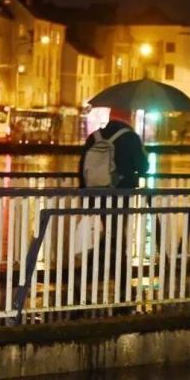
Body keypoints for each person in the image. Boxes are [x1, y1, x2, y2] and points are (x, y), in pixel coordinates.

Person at [77, 108, 148, 315]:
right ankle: (124, 289)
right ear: (128, 117)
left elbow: (82, 169)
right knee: (117, 239)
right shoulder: (131, 137)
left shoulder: (95, 137)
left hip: (96, 196)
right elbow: (144, 167)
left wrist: (86, 197)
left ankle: (88, 276)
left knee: (111, 236)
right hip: (119, 196)